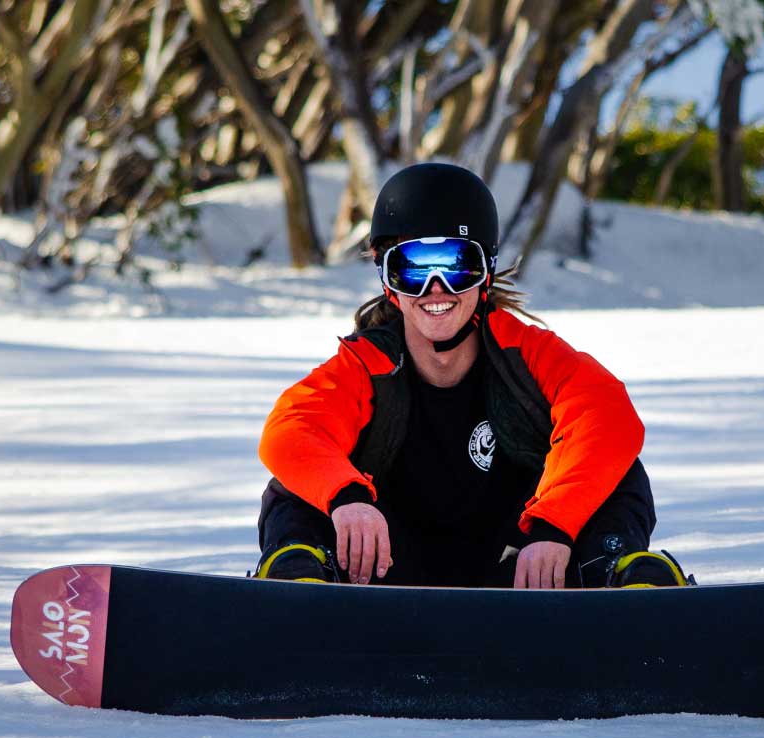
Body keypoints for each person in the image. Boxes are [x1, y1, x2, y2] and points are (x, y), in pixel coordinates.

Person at [254, 162, 693, 589]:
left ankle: (622, 580)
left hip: (524, 571)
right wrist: (346, 499)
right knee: (297, 484)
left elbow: (607, 415)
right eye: (413, 269)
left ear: (485, 275)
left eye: (457, 265)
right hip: (387, 573)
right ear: (388, 282)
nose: (436, 289)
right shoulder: (366, 365)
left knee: (617, 469)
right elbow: (293, 430)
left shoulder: (525, 352)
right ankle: (300, 586)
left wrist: (555, 525)